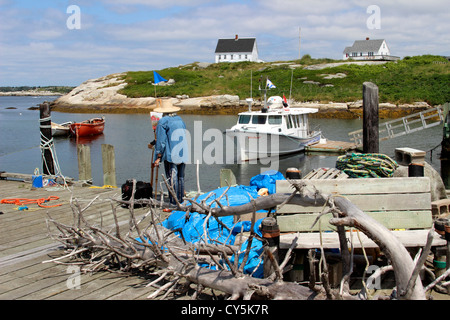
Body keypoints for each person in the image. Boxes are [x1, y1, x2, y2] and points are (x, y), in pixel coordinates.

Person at [149, 99, 188, 206]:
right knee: (180, 177)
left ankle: (174, 202)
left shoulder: (163, 121)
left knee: (172, 177)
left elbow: (161, 141)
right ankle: (180, 200)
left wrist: (158, 156)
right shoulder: (180, 120)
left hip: (171, 153)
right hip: (183, 152)